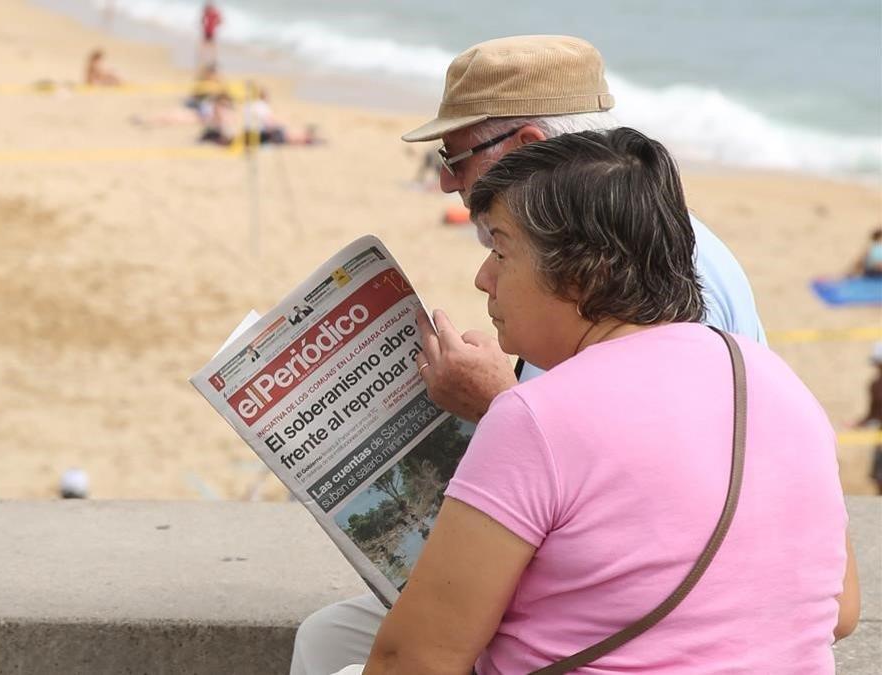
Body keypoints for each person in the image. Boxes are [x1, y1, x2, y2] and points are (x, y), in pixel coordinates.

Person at [291, 35, 769, 675]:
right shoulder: (641, 261)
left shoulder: (669, 283)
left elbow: (661, 495)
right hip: (605, 575)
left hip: (642, 609)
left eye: (455, 157)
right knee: (329, 637)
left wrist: (497, 404)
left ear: (529, 149)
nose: (444, 182)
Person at [366, 128, 857, 672]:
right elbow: (840, 610)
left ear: (584, 275)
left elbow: (410, 659)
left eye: (501, 251)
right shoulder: (775, 379)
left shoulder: (537, 416)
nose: (484, 279)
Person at [856, 342, 882, 493]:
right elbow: (872, 415)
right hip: (880, 439)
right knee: (879, 479)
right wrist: (857, 424)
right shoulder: (874, 385)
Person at [198, 2, 221, 68]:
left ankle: (211, 62)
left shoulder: (213, 13)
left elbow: (219, 21)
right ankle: (207, 61)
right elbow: (202, 20)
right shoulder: (207, 12)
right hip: (207, 32)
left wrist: (214, 24)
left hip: (210, 32)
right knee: (206, 47)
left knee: (210, 47)